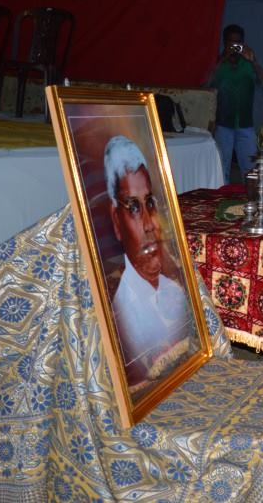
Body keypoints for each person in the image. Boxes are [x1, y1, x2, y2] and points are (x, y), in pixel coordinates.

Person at [104, 135, 195, 387]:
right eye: (133, 207)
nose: (148, 225)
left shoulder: (176, 290)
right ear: (116, 221)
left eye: (150, 204)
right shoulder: (120, 316)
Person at [206, 24, 263, 184]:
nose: (235, 46)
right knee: (221, 169)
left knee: (250, 171)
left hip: (246, 125)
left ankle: (249, 197)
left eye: (238, 42)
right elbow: (205, 85)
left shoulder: (248, 64)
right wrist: (222, 59)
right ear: (224, 43)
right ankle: (222, 197)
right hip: (223, 125)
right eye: (231, 42)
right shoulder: (218, 64)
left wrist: (254, 62)